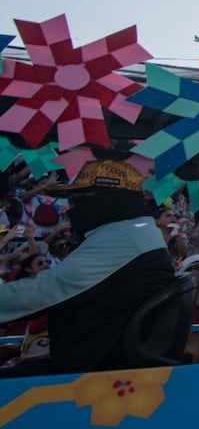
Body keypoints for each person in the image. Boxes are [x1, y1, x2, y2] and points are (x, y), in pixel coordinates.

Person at [0, 158, 176, 378]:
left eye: (79, 199)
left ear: (106, 200)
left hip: (93, 372)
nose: (72, 208)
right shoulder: (134, 230)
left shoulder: (122, 237)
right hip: (102, 361)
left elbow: (46, 291)